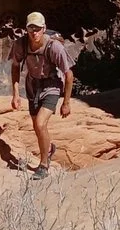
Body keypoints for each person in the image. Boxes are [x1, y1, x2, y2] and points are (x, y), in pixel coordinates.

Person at [4, 10, 73, 177]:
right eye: (31, 29)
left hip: (51, 86)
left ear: (44, 28)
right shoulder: (20, 44)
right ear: (26, 29)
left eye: (38, 28)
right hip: (32, 85)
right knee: (36, 125)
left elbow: (69, 74)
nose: (34, 32)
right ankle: (49, 150)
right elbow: (15, 66)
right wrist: (15, 94)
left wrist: (66, 102)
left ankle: (43, 166)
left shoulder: (54, 47)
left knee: (40, 123)